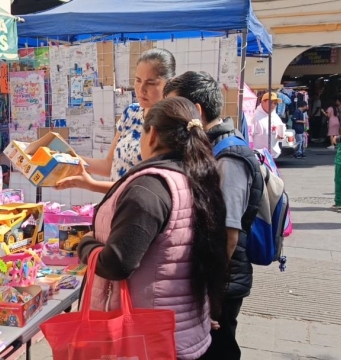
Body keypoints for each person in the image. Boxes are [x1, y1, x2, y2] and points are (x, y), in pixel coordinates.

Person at [77, 97, 229, 360]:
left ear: (152, 135)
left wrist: (86, 244)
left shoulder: (148, 188)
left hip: (144, 340)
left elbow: (116, 263)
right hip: (182, 331)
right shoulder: (196, 179)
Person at [164, 71, 263, 360]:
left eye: (175, 108)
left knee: (218, 350)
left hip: (223, 282)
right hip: (215, 279)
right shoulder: (212, 148)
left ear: (196, 110)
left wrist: (209, 297)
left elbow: (228, 235)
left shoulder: (229, 157)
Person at [56, 48, 176, 193]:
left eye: (151, 83)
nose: (141, 89)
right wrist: (66, 159)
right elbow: (109, 165)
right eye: (138, 80)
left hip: (141, 207)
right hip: (116, 206)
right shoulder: (131, 113)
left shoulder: (170, 124)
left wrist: (92, 185)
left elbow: (148, 189)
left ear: (169, 83)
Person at [252, 92, 283, 158]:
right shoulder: (255, 117)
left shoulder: (275, 116)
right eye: (270, 102)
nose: (273, 105)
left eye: (275, 103)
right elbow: (250, 136)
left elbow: (281, 127)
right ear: (263, 102)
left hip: (273, 155)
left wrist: (281, 135)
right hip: (259, 156)